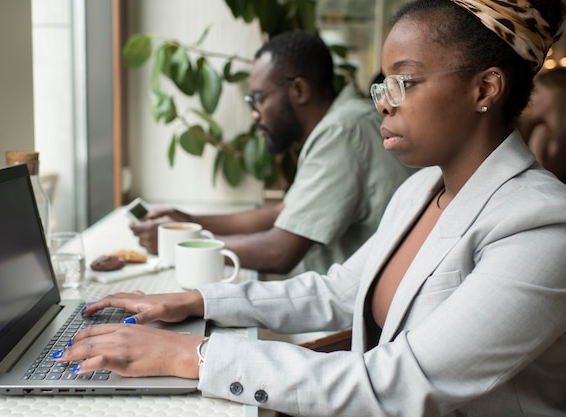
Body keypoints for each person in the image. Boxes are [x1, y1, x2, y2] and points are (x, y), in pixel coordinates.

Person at [56, 0, 566, 415]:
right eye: (382, 84)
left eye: (405, 81)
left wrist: (194, 354)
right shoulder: (422, 189)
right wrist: (197, 302)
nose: (384, 103)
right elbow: (341, 290)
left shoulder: (540, 227)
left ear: (486, 88)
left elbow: (405, 383)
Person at [131, 32, 414, 275]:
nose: (255, 114)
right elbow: (284, 212)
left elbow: (278, 252)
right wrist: (189, 220)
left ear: (299, 90)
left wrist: (179, 244)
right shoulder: (344, 122)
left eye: (260, 98)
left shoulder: (342, 131)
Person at [527, 67, 566, 182]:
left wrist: (535, 148)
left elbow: (546, 188)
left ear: (556, 92)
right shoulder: (545, 134)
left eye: (537, 91)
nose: (531, 99)